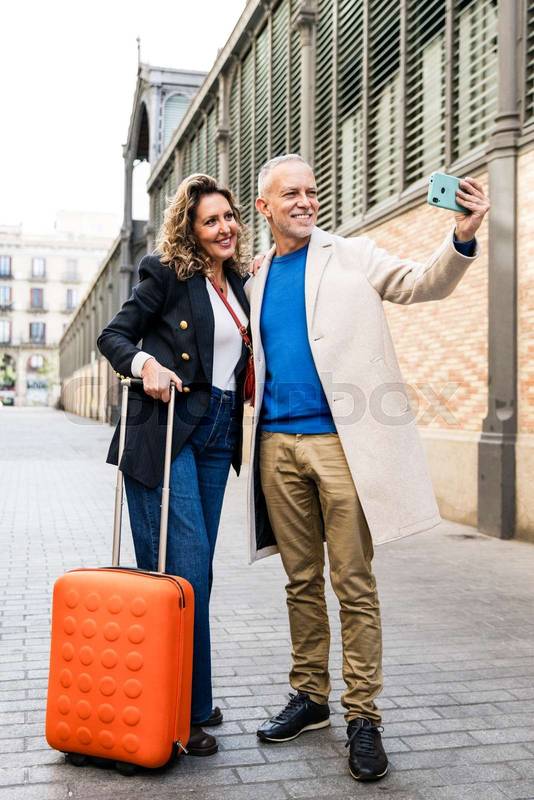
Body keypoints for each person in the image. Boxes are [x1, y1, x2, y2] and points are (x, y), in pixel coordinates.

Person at [245, 154, 490, 781]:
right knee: (300, 581)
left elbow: (421, 282)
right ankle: (309, 697)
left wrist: (461, 235)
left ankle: (363, 716)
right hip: (276, 446)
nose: (305, 201)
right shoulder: (253, 276)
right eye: (291, 194)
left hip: (342, 445)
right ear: (264, 207)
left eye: (312, 191)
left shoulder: (353, 254)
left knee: (353, 584)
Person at [97, 174, 251, 756]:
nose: (224, 227)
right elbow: (113, 336)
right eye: (210, 220)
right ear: (189, 227)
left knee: (197, 574)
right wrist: (144, 365)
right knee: (180, 569)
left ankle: (194, 694)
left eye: (229, 216)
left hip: (217, 433)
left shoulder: (238, 281)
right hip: (164, 433)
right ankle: (177, 713)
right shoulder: (165, 272)